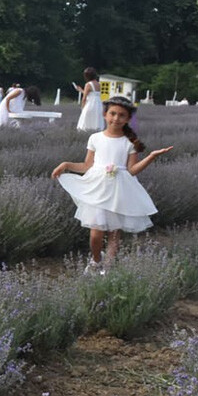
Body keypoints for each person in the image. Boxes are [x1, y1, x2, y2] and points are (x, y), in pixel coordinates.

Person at [51, 95, 172, 275]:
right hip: (97, 189)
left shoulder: (129, 142)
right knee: (96, 234)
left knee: (114, 234)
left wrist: (151, 157)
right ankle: (96, 260)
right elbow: (86, 166)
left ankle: (107, 268)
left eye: (122, 115)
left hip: (118, 190)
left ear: (128, 119)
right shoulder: (95, 138)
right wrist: (66, 165)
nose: (116, 118)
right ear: (105, 115)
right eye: (113, 113)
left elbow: (131, 170)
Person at [73, 67, 103, 132]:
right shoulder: (99, 84)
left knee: (85, 121)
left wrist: (82, 107)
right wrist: (81, 90)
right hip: (98, 105)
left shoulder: (88, 84)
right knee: (96, 121)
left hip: (90, 104)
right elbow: (93, 94)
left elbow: (84, 98)